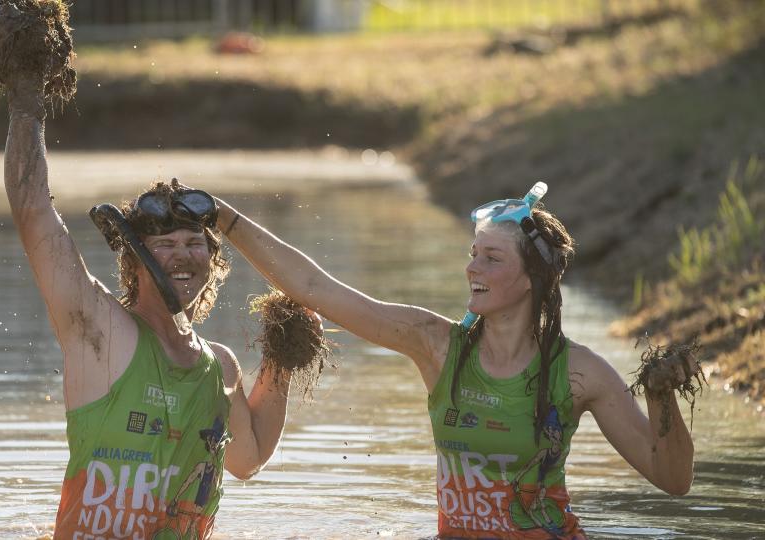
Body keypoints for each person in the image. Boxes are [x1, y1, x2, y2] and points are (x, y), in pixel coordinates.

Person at [210, 185, 697, 538]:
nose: (471, 268)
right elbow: (316, 289)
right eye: (473, 254)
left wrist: (660, 397)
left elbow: (672, 479)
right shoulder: (436, 346)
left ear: (532, 279)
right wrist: (223, 218)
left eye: (491, 259)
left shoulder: (580, 372)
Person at [2, 76, 295, 539]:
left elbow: (247, 458)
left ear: (213, 261)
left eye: (194, 243)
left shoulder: (220, 366)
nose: (182, 255)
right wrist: (27, 100)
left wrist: (283, 357)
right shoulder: (100, 330)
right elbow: (32, 210)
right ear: (132, 261)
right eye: (164, 244)